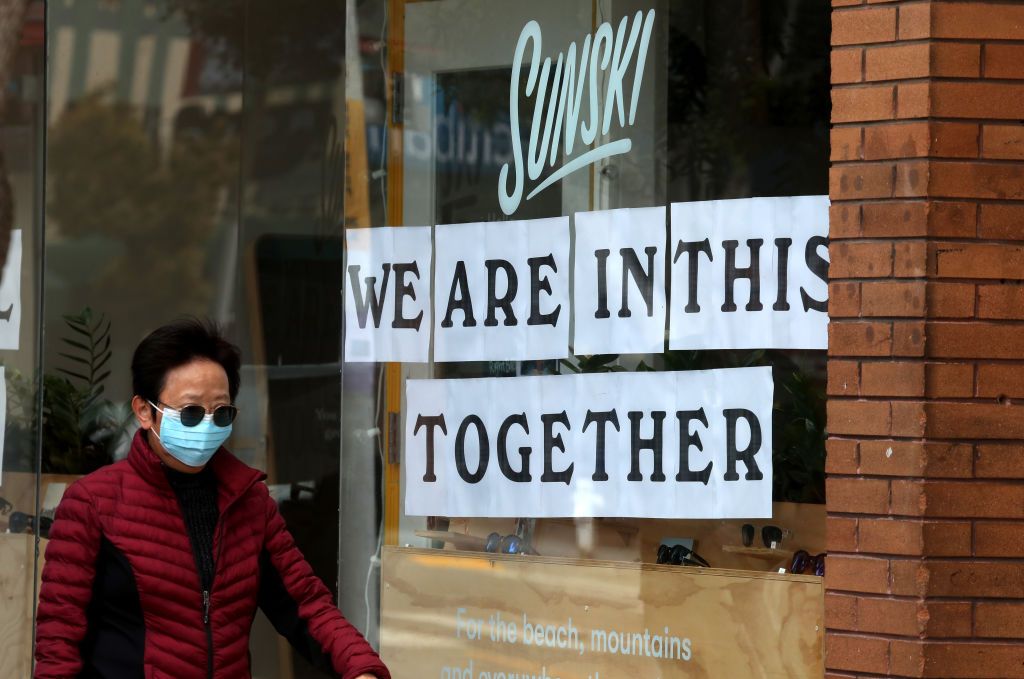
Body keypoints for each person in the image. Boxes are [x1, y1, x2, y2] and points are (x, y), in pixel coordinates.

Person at [35, 319, 390, 679]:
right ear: (144, 411)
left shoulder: (249, 502)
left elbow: (306, 604)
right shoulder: (92, 503)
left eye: (221, 412)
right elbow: (58, 643)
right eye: (190, 412)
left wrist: (361, 668)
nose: (206, 425)